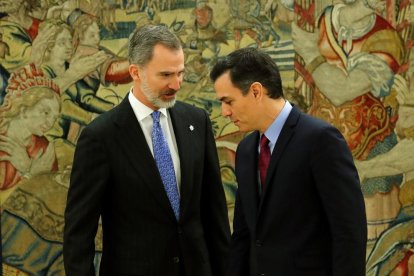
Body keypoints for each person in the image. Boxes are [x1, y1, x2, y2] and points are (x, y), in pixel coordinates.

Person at [63, 24, 231, 276]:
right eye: (165, 75)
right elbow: (78, 235)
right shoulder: (100, 137)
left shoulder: (197, 121)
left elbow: (214, 215)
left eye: (180, 73)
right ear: (135, 72)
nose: (176, 84)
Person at [210, 47, 367, 276]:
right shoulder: (245, 150)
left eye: (228, 101)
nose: (224, 112)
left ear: (256, 91)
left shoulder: (321, 140)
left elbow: (349, 232)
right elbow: (244, 234)